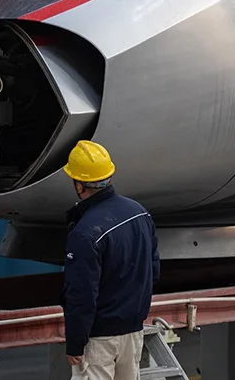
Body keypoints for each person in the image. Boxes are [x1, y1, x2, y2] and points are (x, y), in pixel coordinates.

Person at [61, 140, 160, 380]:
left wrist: (75, 343)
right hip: (133, 331)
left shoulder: (85, 232)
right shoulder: (139, 212)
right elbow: (153, 271)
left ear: (79, 185)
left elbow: (81, 294)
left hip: (100, 340)